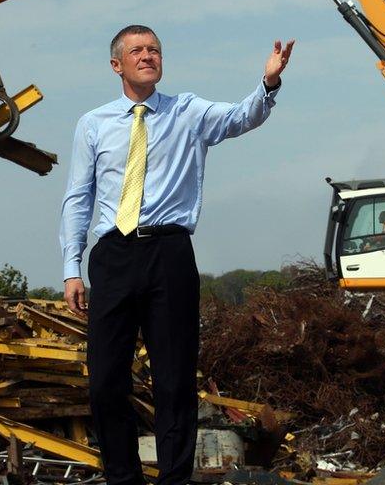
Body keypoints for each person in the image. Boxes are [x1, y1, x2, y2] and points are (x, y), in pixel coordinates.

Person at [60, 25, 294, 485]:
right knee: (106, 380)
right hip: (112, 255)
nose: (148, 56)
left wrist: (268, 84)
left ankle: (173, 480)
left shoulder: (188, 111)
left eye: (155, 50)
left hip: (169, 253)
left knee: (175, 379)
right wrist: (72, 267)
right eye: (137, 51)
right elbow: (78, 198)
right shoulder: (93, 124)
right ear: (117, 65)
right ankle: (123, 478)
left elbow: (239, 118)